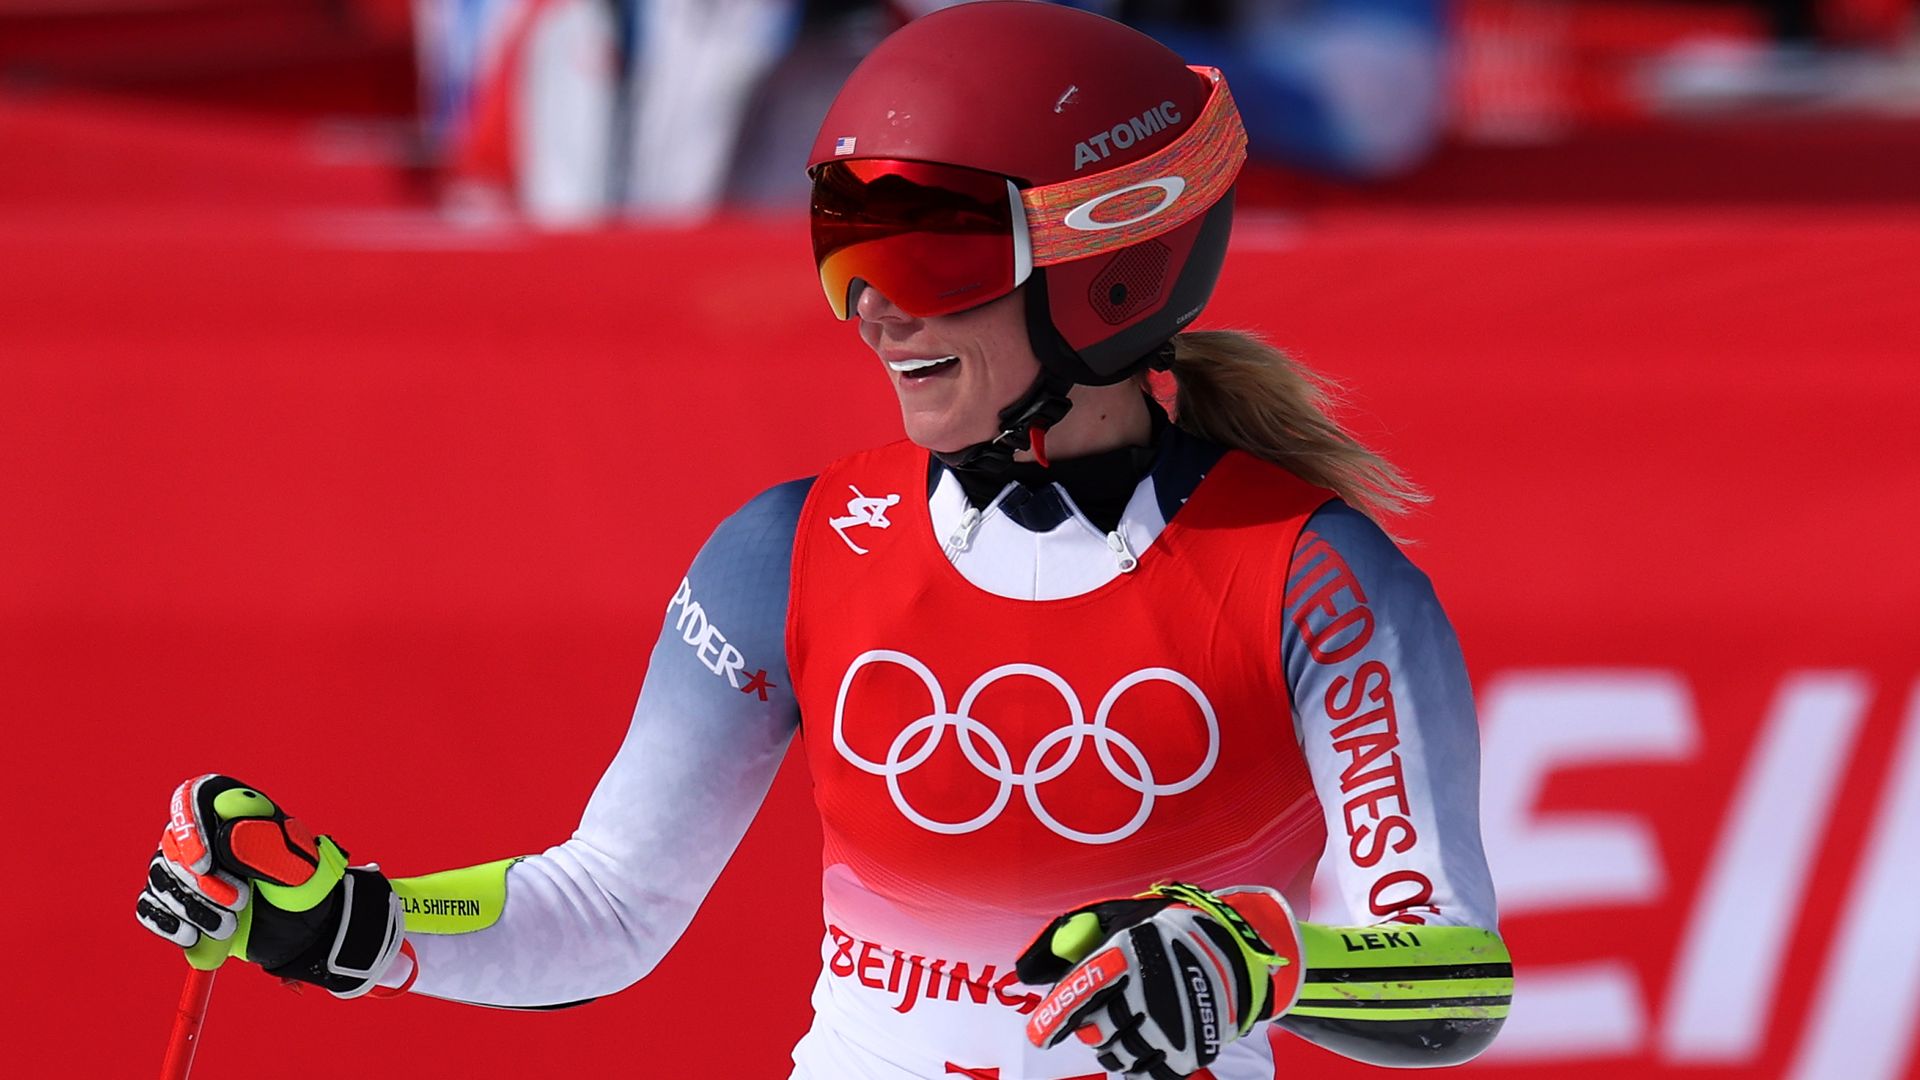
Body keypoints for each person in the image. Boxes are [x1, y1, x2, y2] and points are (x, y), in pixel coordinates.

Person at [135, 4, 1511, 1077]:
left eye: (927, 257)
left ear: (1113, 263)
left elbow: (1448, 973)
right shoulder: (793, 547)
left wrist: (1258, 959)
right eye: (847, 250)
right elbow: (607, 907)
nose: (875, 314)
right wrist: (354, 922)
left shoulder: (1310, 575)